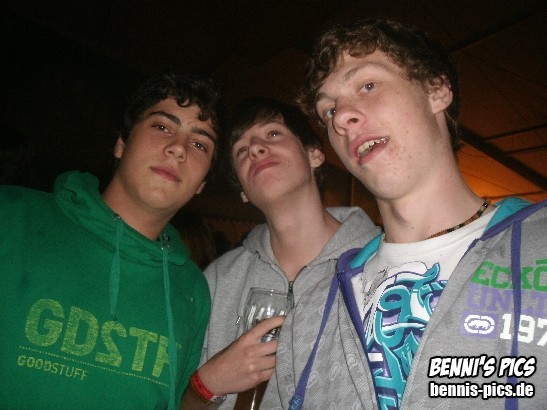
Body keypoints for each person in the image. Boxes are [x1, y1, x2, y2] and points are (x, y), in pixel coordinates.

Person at [262, 17, 547, 409]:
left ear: (436, 90)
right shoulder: (314, 303)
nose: (341, 118)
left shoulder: (538, 247)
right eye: (328, 111)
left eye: (367, 85)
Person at [0, 73, 226, 409]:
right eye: (162, 126)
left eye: (199, 144)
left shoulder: (192, 289)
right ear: (121, 143)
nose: (178, 148)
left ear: (201, 185)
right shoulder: (12, 216)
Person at [182, 96, 380, 408]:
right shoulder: (218, 279)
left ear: (314, 154)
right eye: (241, 150)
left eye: (273, 134)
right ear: (243, 192)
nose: (255, 149)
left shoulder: (385, 265)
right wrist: (206, 385)